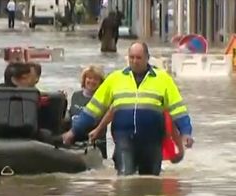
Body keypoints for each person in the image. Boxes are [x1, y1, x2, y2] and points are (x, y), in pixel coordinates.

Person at [62, 42, 194, 176]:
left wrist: (186, 132)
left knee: (150, 181)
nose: (134, 61)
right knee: (125, 178)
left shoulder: (163, 79)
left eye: (138, 57)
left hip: (152, 141)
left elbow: (178, 110)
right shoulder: (115, 79)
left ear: (147, 58)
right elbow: (93, 109)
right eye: (131, 57)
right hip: (123, 138)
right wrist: (73, 131)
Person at [68, 65, 107, 159]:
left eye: (95, 79)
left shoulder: (103, 98)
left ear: (100, 82)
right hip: (74, 141)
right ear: (84, 79)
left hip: (95, 143)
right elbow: (71, 115)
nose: (91, 81)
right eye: (89, 78)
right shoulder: (76, 95)